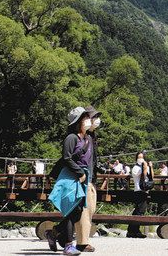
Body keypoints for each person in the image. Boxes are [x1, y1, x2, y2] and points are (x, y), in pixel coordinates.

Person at [46, 106, 92, 255]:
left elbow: (89, 161)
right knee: (71, 210)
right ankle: (68, 245)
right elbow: (67, 158)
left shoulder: (88, 138)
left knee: (77, 212)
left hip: (83, 177)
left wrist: (87, 177)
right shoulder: (71, 138)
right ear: (78, 121)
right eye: (85, 118)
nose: (88, 121)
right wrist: (79, 173)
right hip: (71, 176)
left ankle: (53, 233)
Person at [74, 106, 101, 252]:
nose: (96, 121)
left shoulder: (92, 137)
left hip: (91, 178)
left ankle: (56, 232)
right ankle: (82, 243)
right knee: (83, 210)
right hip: (82, 179)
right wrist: (79, 174)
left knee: (89, 210)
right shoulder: (79, 137)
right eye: (93, 117)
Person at [128, 152, 151, 238]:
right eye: (139, 157)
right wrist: (145, 168)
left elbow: (150, 177)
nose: (140, 159)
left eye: (142, 157)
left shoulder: (145, 167)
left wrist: (150, 167)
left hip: (144, 191)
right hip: (138, 190)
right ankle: (134, 231)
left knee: (138, 211)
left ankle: (133, 230)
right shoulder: (135, 168)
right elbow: (143, 176)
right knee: (140, 211)